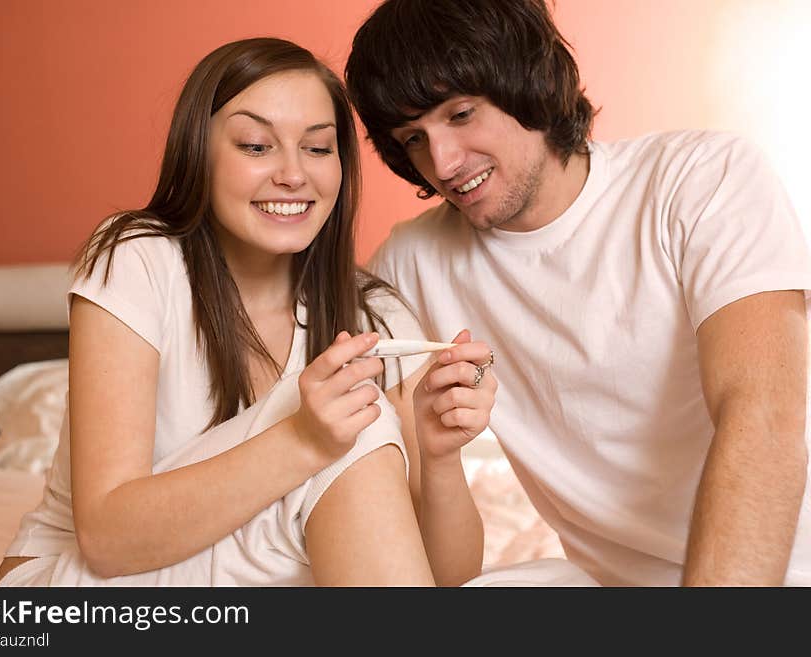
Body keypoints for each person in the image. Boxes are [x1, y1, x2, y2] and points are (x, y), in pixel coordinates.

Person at [0, 37, 494, 587]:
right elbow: (108, 542)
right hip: (74, 588)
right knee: (357, 422)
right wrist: (306, 440)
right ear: (198, 155)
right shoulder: (137, 260)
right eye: (256, 146)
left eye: (318, 148)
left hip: (238, 578)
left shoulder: (375, 314)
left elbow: (445, 580)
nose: (293, 175)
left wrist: (441, 460)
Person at [345, 0, 811, 586]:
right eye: (413, 138)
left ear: (528, 81)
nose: (442, 162)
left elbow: (763, 414)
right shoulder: (413, 263)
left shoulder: (702, 179)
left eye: (461, 114)